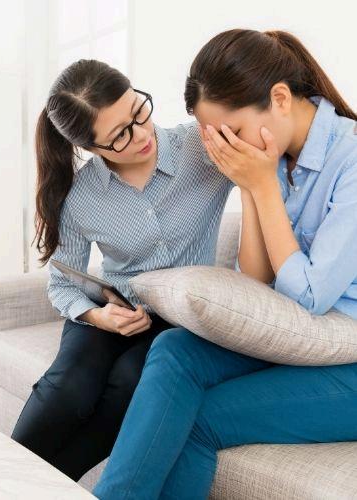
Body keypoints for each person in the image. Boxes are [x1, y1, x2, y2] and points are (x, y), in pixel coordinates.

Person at [94, 29, 357, 500]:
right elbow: (256, 279)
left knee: (199, 418)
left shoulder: (351, 160)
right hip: (302, 342)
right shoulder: (275, 155)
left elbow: (310, 297)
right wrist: (250, 184)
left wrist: (264, 185)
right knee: (175, 350)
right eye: (216, 137)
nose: (228, 147)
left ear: (280, 99)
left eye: (232, 132)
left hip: (347, 360)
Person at [9, 59, 234, 481]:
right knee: (70, 386)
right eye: (120, 136)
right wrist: (99, 316)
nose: (142, 134)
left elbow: (268, 164)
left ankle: (33, 487)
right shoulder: (80, 197)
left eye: (138, 111)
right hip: (111, 311)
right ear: (92, 149)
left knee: (130, 381)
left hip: (178, 319)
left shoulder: (201, 147)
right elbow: (62, 284)